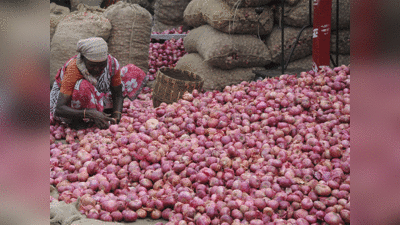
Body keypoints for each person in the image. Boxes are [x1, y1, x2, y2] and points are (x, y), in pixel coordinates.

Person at [50, 37, 148, 129]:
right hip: (69, 104)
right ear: (83, 59)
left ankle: (100, 112)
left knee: (132, 72)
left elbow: (118, 93)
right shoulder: (74, 68)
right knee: (82, 86)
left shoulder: (112, 63)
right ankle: (79, 120)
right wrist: (89, 113)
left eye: (102, 65)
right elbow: (60, 109)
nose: (97, 69)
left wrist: (116, 115)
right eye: (92, 65)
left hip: (97, 94)